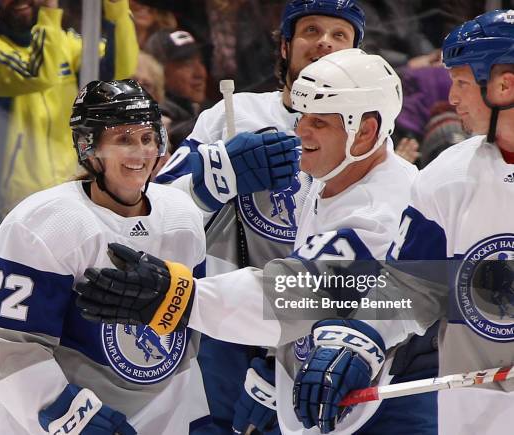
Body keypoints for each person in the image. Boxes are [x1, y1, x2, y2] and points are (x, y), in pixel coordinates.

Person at [75, 49, 437, 434]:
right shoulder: (333, 178)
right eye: (301, 118)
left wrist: (177, 297)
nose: (301, 132)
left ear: (364, 131)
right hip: (332, 398)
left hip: (386, 411)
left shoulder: (382, 208)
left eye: (320, 123)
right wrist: (274, 366)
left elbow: (292, 292)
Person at [0, 78, 299, 434]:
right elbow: (12, 346)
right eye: (124, 139)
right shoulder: (43, 222)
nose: (141, 152)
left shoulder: (181, 216)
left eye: (147, 138)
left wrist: (196, 416)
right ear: (89, 146)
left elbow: (184, 341)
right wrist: (65, 413)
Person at [153, 1, 367, 433]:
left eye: (339, 35)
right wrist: (213, 178)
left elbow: (373, 256)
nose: (324, 41)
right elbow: (153, 213)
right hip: (221, 327)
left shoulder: (366, 137)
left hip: (311, 338)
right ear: (286, 46)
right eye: (311, 30)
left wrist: (288, 363)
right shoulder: (235, 114)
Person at [333, 9, 512, 435]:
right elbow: (410, 285)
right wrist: (361, 343)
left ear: (504, 85)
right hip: (475, 415)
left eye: (462, 83)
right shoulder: (447, 177)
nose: (452, 99)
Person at [0, 0, 139, 223]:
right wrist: (50, 13)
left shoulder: (64, 42)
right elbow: (37, 73)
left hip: (69, 196)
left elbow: (117, 74)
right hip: (6, 209)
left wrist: (117, 9)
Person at [144, 29, 208, 149]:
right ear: (159, 71)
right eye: (187, 64)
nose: (200, 73)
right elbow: (175, 134)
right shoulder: (154, 117)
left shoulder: (195, 110)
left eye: (201, 62)